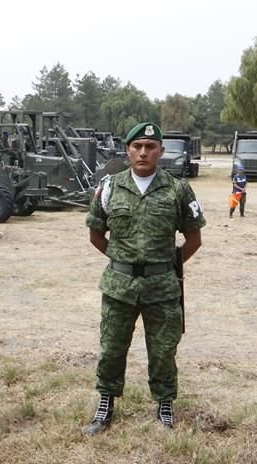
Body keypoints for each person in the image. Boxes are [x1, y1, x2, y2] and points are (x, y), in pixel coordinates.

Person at [84, 122, 205, 434]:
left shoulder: (178, 189)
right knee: (111, 348)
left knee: (163, 350)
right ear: (127, 150)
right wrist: (123, 259)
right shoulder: (110, 186)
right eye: (137, 146)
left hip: (162, 287)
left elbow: (193, 240)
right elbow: (96, 234)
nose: (143, 152)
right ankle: (106, 402)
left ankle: (164, 403)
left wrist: (164, 266)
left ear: (161, 152)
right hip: (119, 287)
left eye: (150, 147)